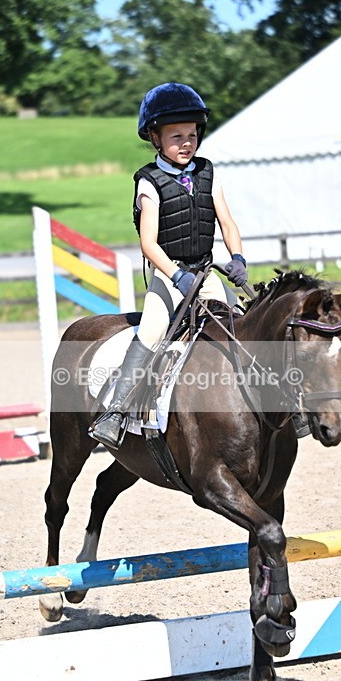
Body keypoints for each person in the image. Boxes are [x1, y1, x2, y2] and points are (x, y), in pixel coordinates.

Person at [90, 83, 247, 449]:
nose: (186, 143)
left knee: (243, 324)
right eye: (177, 136)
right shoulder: (149, 182)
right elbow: (148, 243)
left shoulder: (208, 173)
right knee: (151, 332)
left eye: (192, 135)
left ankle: (282, 404)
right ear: (155, 138)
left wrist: (237, 258)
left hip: (205, 272)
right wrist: (177, 276)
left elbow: (227, 223)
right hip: (167, 272)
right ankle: (116, 412)